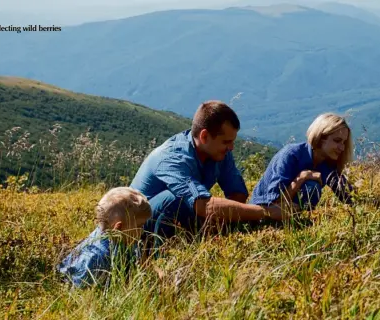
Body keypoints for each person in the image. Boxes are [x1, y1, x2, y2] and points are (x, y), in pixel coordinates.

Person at [129, 100, 283, 250]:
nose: (231, 147)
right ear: (204, 136)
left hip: (178, 222)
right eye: (226, 142)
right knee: (174, 199)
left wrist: (219, 221)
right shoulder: (173, 159)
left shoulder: (218, 152)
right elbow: (204, 205)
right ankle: (152, 255)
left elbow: (237, 193)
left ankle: (190, 241)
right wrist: (266, 212)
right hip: (134, 230)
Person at [250, 113, 355, 214]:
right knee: (311, 186)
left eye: (344, 142)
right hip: (261, 212)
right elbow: (275, 205)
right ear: (320, 137)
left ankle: (300, 219)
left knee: (311, 187)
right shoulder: (291, 155)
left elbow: (349, 196)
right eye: (337, 141)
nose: (342, 148)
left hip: (290, 216)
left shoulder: (328, 163)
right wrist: (301, 177)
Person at [57, 187, 152, 288]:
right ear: (118, 228)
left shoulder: (124, 238)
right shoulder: (95, 258)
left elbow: (140, 259)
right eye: (140, 225)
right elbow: (79, 291)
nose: (142, 230)